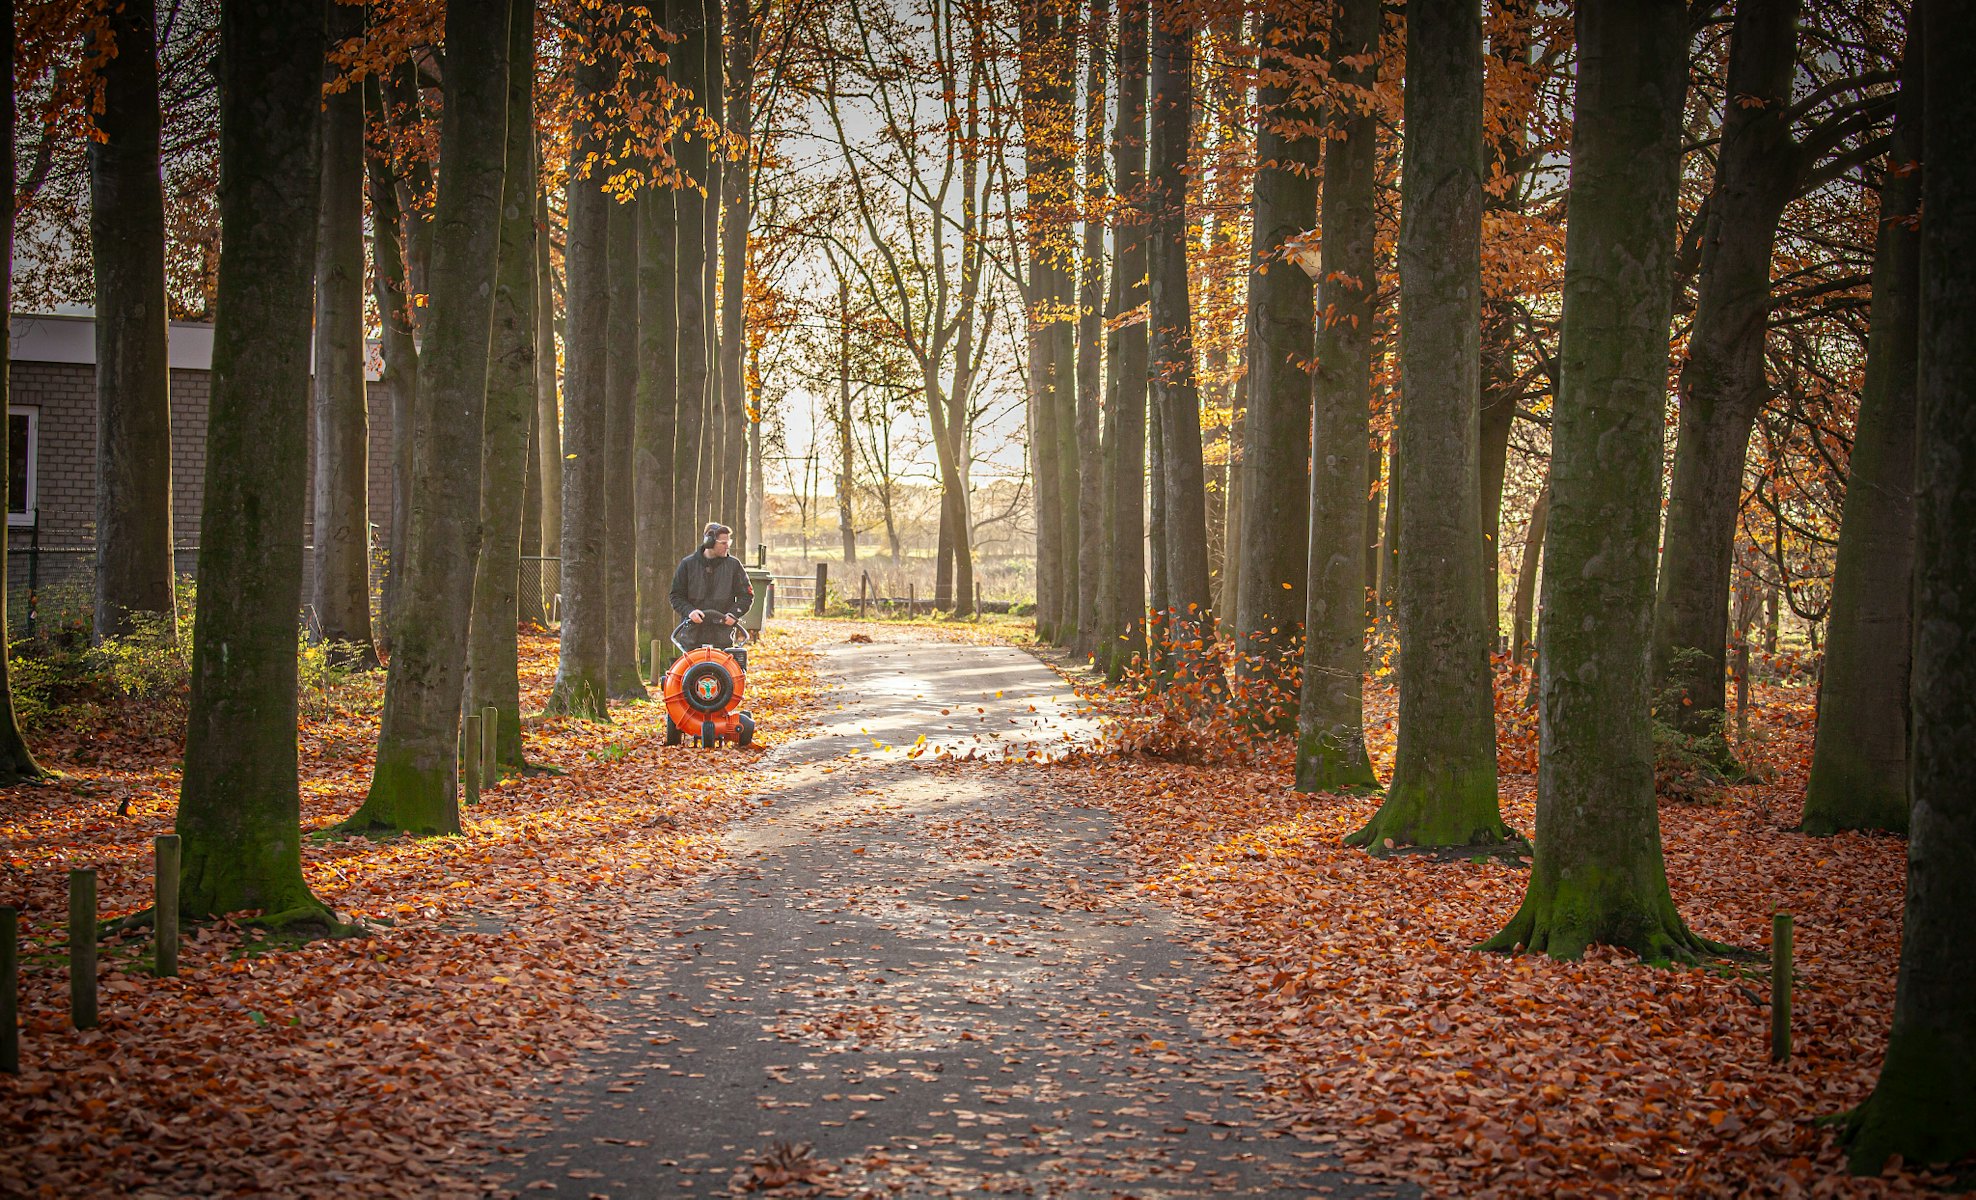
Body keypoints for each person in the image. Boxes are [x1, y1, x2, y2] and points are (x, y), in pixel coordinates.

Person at [669, 522, 755, 656]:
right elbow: (676, 596)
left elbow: (747, 595)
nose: (727, 546)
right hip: (692, 635)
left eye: (728, 542)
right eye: (723, 543)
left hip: (722, 635)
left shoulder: (734, 566)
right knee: (691, 674)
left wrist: (733, 614)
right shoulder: (687, 565)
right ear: (709, 542)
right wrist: (690, 612)